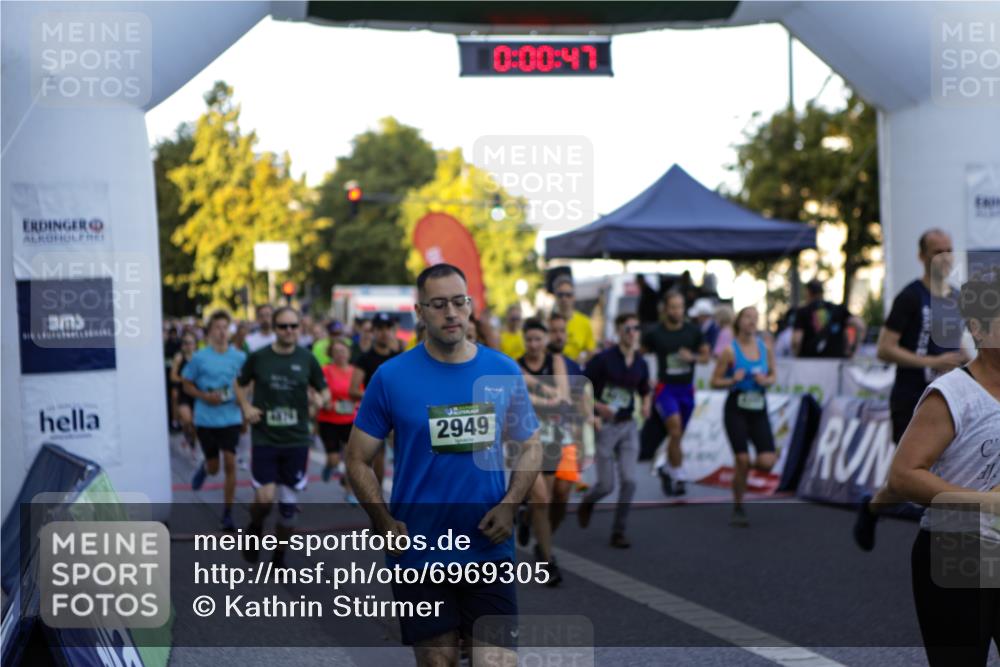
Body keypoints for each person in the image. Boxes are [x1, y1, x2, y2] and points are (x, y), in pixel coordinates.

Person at [345, 263, 540, 666]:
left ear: (470, 306)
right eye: (438, 304)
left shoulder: (502, 370)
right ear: (420, 312)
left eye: (458, 302)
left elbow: (532, 444)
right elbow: (357, 458)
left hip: (489, 546)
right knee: (439, 661)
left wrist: (511, 503)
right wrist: (381, 520)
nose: (450, 312)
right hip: (420, 550)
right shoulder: (390, 377)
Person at [883, 270, 1000, 666]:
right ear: (978, 329)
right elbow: (903, 476)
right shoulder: (953, 394)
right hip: (957, 548)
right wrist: (983, 503)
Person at [854, 229, 971, 550]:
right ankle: (871, 507)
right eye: (937, 251)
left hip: (949, 400)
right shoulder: (909, 297)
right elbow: (884, 349)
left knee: (951, 469)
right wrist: (931, 361)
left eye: (949, 250)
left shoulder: (957, 297)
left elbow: (955, 343)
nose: (945, 257)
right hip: (910, 398)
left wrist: (972, 364)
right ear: (922, 257)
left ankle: (945, 543)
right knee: (906, 480)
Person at [236, 306, 329, 566]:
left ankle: (279, 555)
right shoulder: (259, 357)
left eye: (293, 326)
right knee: (264, 500)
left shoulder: (307, 359)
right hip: (265, 438)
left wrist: (319, 400)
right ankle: (254, 528)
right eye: (283, 326)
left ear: (300, 328)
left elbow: (324, 391)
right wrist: (246, 407)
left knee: (288, 512)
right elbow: (240, 383)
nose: (289, 331)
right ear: (274, 329)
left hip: (296, 439)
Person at [577, 313, 651, 548]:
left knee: (630, 480)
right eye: (628, 328)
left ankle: (619, 531)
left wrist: (647, 403)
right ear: (619, 331)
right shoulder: (603, 360)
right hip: (606, 427)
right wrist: (597, 408)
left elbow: (644, 388)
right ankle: (588, 501)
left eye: (636, 328)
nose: (632, 332)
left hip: (628, 424)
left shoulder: (641, 363)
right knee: (606, 485)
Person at [710, 307, 778, 526]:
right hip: (736, 408)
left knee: (767, 462)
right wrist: (732, 379)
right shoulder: (730, 351)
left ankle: (742, 474)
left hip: (758, 408)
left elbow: (773, 375)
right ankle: (738, 506)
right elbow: (714, 381)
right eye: (748, 317)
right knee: (742, 458)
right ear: (739, 321)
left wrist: (766, 381)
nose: (752, 322)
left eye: (756, 318)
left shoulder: (764, 348)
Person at [516, 317, 570, 586]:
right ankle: (548, 561)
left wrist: (533, 387)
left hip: (551, 436)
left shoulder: (555, 362)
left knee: (545, 501)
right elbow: (520, 400)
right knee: (540, 497)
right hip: (524, 439)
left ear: (546, 339)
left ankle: (526, 521)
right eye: (530, 340)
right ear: (524, 340)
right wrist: (548, 396)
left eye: (539, 339)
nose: (534, 345)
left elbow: (564, 398)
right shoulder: (516, 365)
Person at [642, 291, 710, 496]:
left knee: (677, 435)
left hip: (686, 390)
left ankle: (668, 469)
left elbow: (707, 357)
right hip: (665, 389)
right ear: (665, 309)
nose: (677, 311)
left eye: (680, 307)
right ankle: (678, 473)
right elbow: (639, 355)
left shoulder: (693, 331)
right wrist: (646, 378)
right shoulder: (655, 333)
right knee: (675, 430)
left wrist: (693, 358)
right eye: (673, 307)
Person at [183, 310, 247, 530]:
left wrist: (244, 400)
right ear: (209, 332)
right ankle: (205, 467)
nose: (221, 332)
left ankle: (227, 513)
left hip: (230, 417)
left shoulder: (239, 357)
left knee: (230, 462)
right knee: (214, 467)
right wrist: (204, 396)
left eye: (225, 327)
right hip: (206, 419)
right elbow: (186, 384)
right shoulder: (200, 357)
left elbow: (249, 382)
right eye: (217, 327)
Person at [350, 312, 401, 492]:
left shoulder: (399, 357)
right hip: (376, 415)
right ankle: (378, 499)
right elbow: (353, 390)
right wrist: (377, 398)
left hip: (398, 415)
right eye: (380, 329)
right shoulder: (364, 359)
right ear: (373, 332)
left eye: (388, 328)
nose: (384, 333)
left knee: (404, 457)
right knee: (377, 458)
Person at [546, 311, 591, 504]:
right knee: (542, 498)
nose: (558, 335)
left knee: (562, 495)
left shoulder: (573, 367)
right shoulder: (536, 364)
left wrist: (582, 438)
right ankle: (531, 527)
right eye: (553, 331)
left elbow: (580, 404)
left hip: (567, 437)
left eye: (562, 331)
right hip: (540, 437)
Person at [315, 337, 357, 493]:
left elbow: (362, 393)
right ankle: (329, 466)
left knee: (350, 458)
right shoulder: (325, 370)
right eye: (337, 352)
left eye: (343, 351)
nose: (341, 354)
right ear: (331, 354)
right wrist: (322, 401)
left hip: (350, 420)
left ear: (349, 353)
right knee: (334, 459)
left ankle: (349, 489)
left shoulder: (355, 371)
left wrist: (358, 404)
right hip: (328, 420)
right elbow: (316, 391)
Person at [792, 279, 850, 358]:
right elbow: (859, 325)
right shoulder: (837, 309)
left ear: (808, 292)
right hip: (836, 361)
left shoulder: (803, 311)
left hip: (808, 360)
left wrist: (796, 355)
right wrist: (851, 351)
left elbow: (796, 340)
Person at [552, 276, 596, 365]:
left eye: (568, 295)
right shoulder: (548, 322)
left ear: (574, 297)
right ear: (555, 297)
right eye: (560, 295)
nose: (564, 298)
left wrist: (581, 360)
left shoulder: (584, 322)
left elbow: (591, 350)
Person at [170, 331, 199, 453]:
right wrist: (185, 379)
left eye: (190, 343)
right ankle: (188, 437)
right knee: (187, 420)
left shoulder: (199, 358)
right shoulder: (179, 358)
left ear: (195, 345)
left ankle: (193, 444)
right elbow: (173, 376)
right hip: (183, 394)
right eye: (185, 343)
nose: (188, 346)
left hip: (197, 394)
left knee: (195, 424)